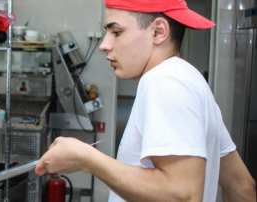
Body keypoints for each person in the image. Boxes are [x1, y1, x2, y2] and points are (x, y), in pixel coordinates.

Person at [35, 0, 256, 201]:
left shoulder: (165, 81)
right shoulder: (190, 78)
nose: (104, 44)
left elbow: (183, 194)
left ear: (158, 32)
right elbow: (241, 186)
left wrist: (86, 158)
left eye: (117, 32)